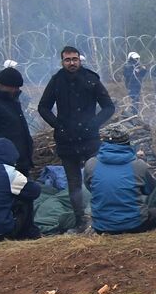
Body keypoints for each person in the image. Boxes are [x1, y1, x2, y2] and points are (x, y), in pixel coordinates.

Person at [38, 45, 115, 233]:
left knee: (96, 178)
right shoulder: (56, 81)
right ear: (62, 61)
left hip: (89, 139)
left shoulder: (91, 79)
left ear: (80, 59)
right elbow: (43, 107)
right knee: (73, 184)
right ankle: (80, 221)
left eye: (74, 59)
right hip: (67, 140)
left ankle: (100, 216)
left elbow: (108, 107)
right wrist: (58, 125)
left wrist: (94, 123)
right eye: (67, 60)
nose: (71, 63)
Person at [84, 132, 156, 234]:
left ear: (103, 143)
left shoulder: (91, 164)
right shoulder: (138, 165)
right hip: (135, 225)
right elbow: (149, 189)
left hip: (102, 227)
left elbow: (90, 187)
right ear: (127, 143)